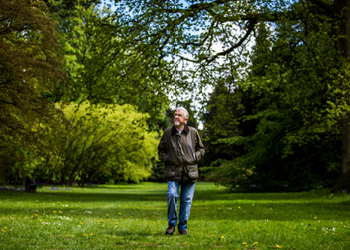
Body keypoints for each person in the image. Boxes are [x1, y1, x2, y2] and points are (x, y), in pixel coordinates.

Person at [158, 107, 205, 235]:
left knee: (186, 200)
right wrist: (167, 158)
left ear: (186, 119)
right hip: (172, 171)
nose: (176, 117)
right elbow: (161, 150)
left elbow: (201, 149)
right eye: (175, 115)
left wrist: (194, 157)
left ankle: (183, 227)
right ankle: (171, 225)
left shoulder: (193, 132)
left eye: (179, 115)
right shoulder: (168, 132)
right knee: (172, 194)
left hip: (190, 172)